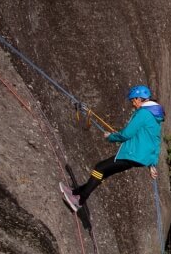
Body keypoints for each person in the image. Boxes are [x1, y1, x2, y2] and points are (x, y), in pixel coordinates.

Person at [60, 84, 163, 212]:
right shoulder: (155, 117)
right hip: (139, 158)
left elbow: (127, 134)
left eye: (133, 100)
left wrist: (111, 137)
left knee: (100, 168)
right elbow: (155, 141)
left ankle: (80, 200)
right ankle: (76, 192)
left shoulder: (143, 113)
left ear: (139, 98)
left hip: (132, 154)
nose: (133, 104)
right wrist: (152, 164)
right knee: (104, 171)